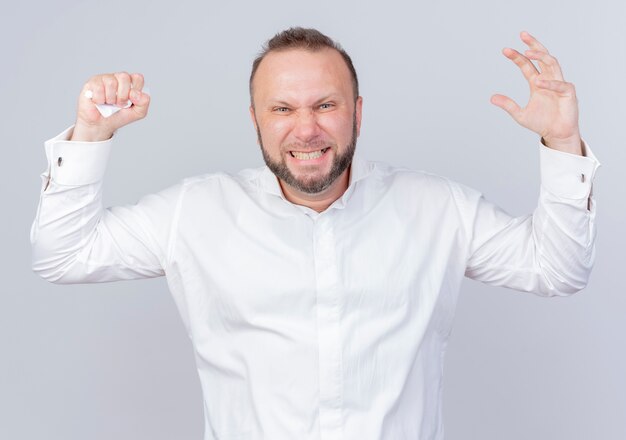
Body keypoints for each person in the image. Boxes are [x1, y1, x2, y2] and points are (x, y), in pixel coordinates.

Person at [31, 27, 599, 440]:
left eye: (325, 105)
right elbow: (62, 256)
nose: (306, 128)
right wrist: (89, 135)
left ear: (357, 112)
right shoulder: (194, 212)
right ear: (255, 119)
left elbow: (558, 269)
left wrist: (562, 143)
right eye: (282, 108)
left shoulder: (437, 207)